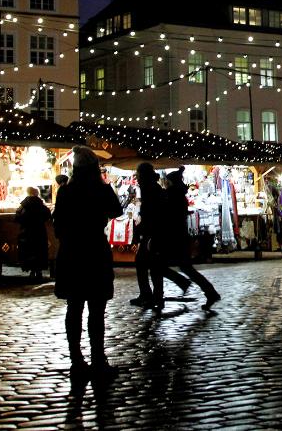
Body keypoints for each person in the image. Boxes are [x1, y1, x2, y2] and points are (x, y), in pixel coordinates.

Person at [52, 146, 122, 379]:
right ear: (93, 168)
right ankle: (98, 359)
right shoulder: (99, 190)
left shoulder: (65, 191)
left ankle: (76, 360)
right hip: (94, 252)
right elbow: (116, 210)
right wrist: (104, 184)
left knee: (75, 308)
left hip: (72, 253)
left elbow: (58, 226)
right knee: (96, 310)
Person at [157, 167, 221, 311]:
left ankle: (205, 290)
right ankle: (208, 291)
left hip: (175, 237)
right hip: (180, 237)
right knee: (185, 268)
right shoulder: (179, 195)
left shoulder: (172, 195)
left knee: (162, 266)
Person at [130, 163, 190, 307]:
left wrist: (141, 232)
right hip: (154, 232)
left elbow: (152, 213)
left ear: (143, 174)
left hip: (153, 233)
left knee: (147, 263)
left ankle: (151, 295)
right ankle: (155, 295)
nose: (136, 177)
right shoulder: (151, 187)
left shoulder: (150, 188)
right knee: (152, 264)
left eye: (138, 173)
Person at [15, 186, 51, 279]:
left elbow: (17, 217)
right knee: (39, 250)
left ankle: (31, 270)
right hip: (39, 231)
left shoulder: (24, 205)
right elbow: (47, 215)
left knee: (29, 250)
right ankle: (38, 271)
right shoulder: (41, 205)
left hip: (27, 231)